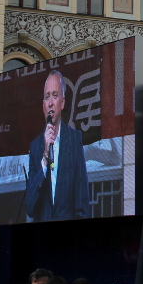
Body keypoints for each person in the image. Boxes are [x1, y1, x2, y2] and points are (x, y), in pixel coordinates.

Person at [26, 70, 90, 222]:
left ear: (62, 102)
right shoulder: (35, 147)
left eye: (55, 95)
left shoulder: (74, 139)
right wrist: (45, 154)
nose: (50, 103)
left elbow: (81, 198)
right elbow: (30, 207)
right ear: (43, 105)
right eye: (47, 97)